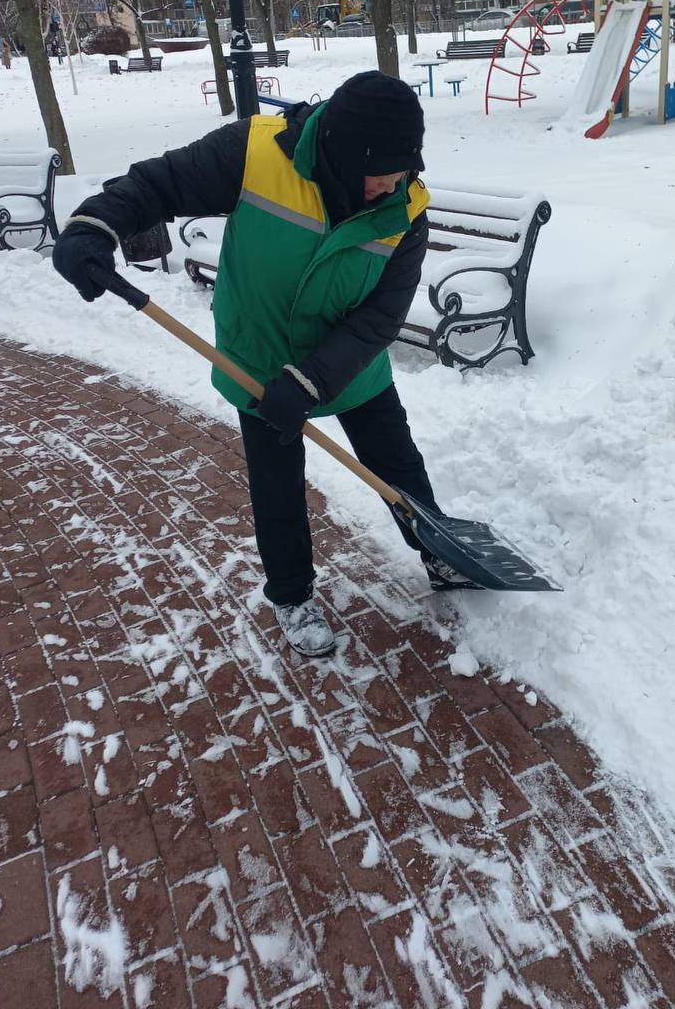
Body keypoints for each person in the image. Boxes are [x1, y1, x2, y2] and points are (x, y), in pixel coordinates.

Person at [52, 71, 466, 657]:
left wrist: (314, 379)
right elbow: (156, 184)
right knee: (277, 487)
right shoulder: (255, 152)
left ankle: (441, 551)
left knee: (397, 462)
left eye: (402, 170)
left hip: (348, 366)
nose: (390, 184)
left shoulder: (406, 208)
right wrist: (96, 224)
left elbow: (379, 318)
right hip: (260, 361)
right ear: (340, 153)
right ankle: (293, 595)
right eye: (380, 172)